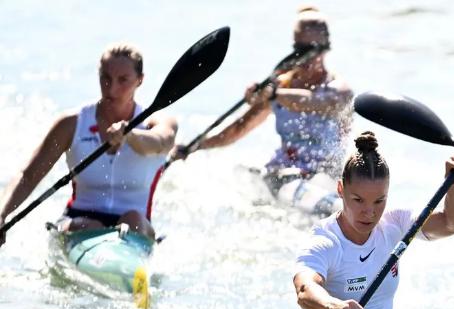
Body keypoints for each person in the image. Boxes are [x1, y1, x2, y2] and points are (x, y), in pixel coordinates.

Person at [292, 131, 454, 309]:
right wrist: (334, 306)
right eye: (358, 200)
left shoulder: (396, 225)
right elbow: (305, 291)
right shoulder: (326, 240)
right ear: (341, 189)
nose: (370, 212)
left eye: (379, 200)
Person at [0, 43, 178, 246]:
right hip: (80, 221)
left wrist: (129, 135)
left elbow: (161, 142)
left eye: (123, 80)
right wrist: (2, 213)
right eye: (105, 78)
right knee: (88, 226)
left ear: (140, 80)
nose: (112, 88)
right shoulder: (71, 124)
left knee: (134, 221)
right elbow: (28, 175)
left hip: (135, 226)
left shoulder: (158, 122)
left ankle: (126, 255)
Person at [172, 6, 352, 183]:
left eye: (313, 49)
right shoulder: (280, 86)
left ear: (326, 49)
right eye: (301, 48)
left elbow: (319, 103)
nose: (307, 57)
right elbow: (238, 129)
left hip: (325, 179)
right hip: (284, 174)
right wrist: (195, 146)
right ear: (293, 48)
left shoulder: (339, 90)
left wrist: (274, 94)